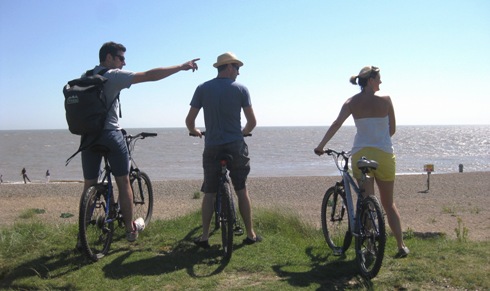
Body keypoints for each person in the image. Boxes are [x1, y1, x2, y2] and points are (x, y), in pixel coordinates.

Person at [81, 41, 199, 242]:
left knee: (89, 186)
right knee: (124, 181)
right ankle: (129, 230)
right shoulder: (112, 75)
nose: (124, 62)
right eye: (121, 58)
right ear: (108, 58)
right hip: (110, 134)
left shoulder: (86, 76)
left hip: (87, 136)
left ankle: (81, 235)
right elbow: (150, 76)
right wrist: (180, 67)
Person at [314, 66, 409, 258]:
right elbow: (393, 130)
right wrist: (379, 140)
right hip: (384, 155)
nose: (381, 82)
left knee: (366, 201)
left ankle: (370, 249)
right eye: (379, 78)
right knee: (388, 203)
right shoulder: (386, 100)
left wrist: (321, 145)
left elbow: (336, 123)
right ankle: (401, 246)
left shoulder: (351, 102)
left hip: (361, 155)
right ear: (371, 80)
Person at [186, 52, 260, 248]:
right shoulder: (241, 89)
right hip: (235, 144)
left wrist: (195, 132)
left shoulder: (202, 88)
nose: (238, 72)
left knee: (209, 192)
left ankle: (204, 237)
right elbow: (252, 122)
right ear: (228, 67)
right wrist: (242, 132)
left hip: (212, 145)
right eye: (237, 68)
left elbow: (189, 121)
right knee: (241, 189)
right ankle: (250, 234)